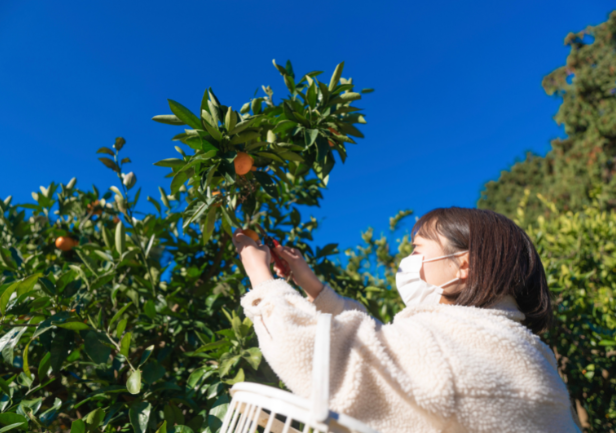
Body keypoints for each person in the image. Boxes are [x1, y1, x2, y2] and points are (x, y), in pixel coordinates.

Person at [233, 207, 581, 433]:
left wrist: (259, 275)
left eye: (418, 251)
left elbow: (314, 353)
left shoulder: (447, 349)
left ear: (464, 265)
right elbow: (387, 350)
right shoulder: (520, 349)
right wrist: (309, 283)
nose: (409, 262)